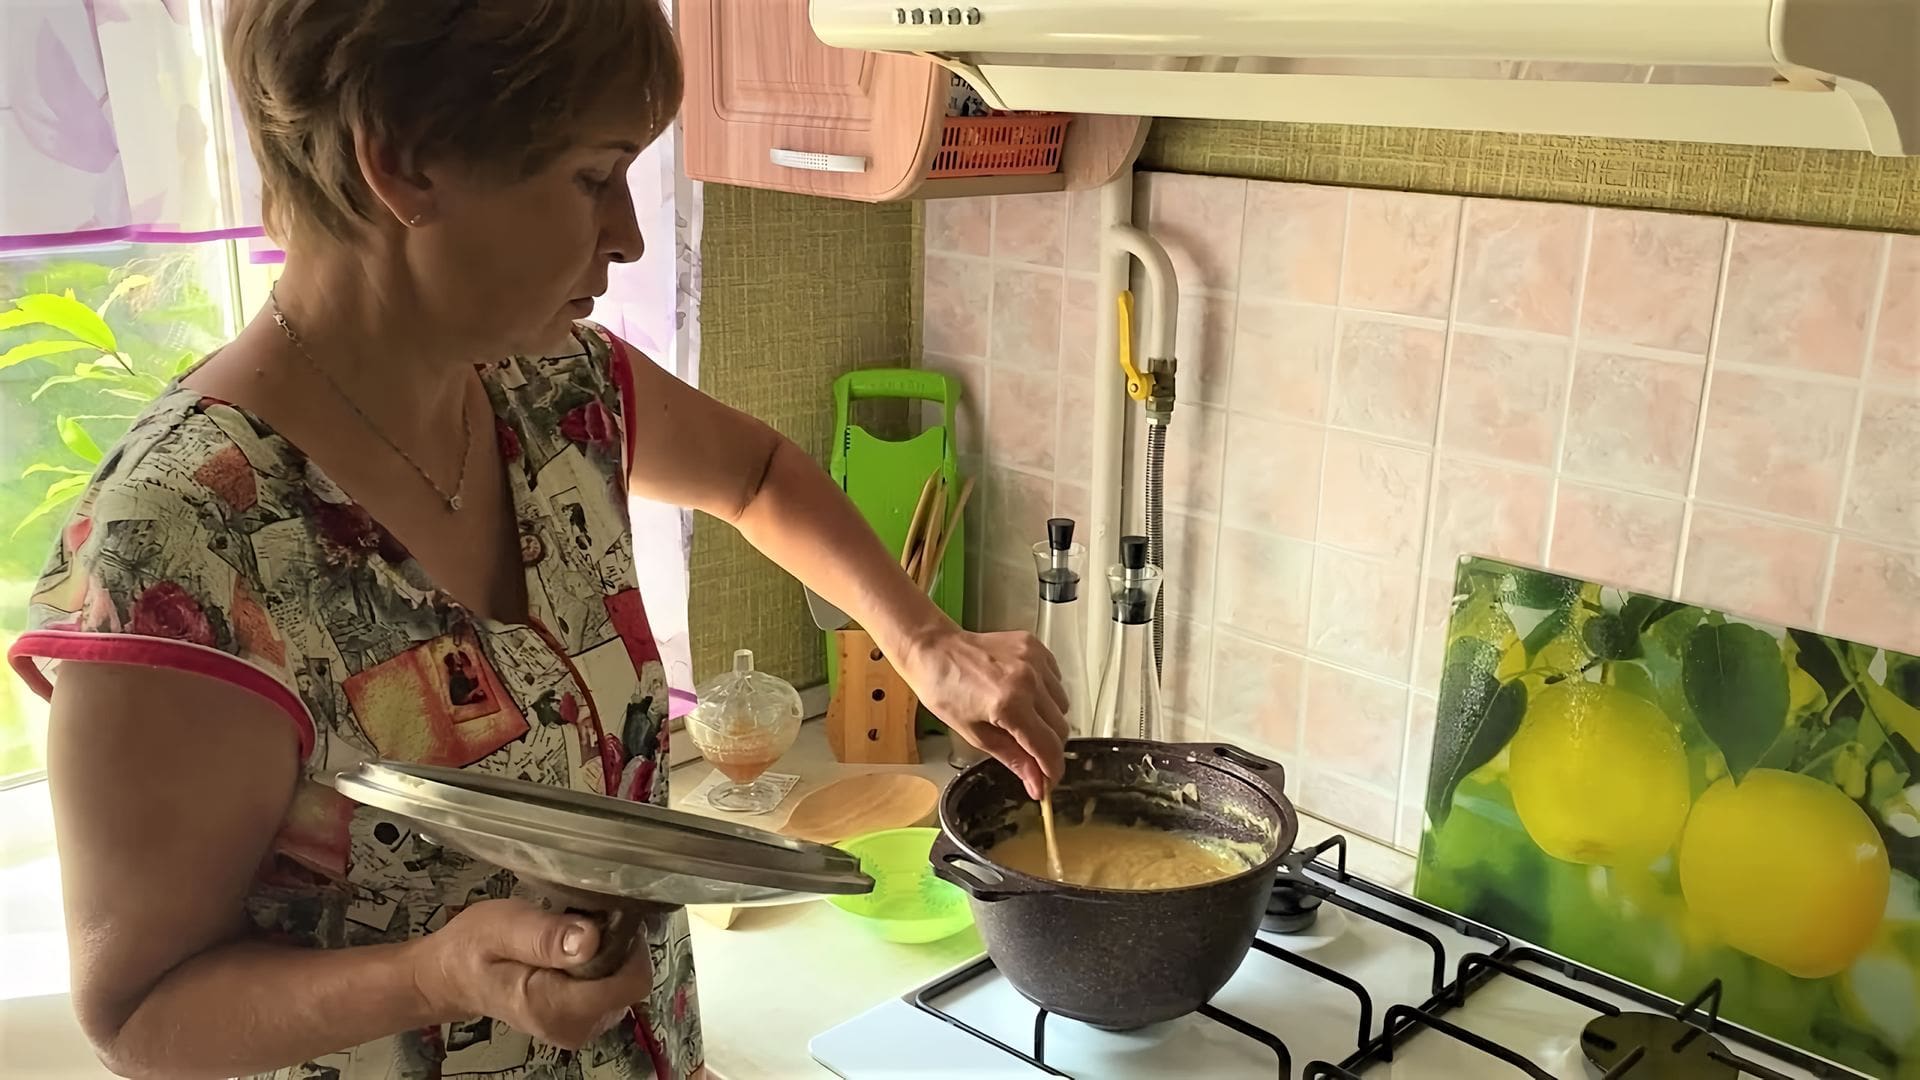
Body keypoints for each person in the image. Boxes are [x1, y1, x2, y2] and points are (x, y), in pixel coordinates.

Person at [3, 3, 1069, 1078]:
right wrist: (436, 976)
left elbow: (755, 476)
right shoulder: (181, 546)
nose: (629, 234)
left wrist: (925, 641)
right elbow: (141, 1013)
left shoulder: (556, 387)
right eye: (594, 176)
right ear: (402, 160)